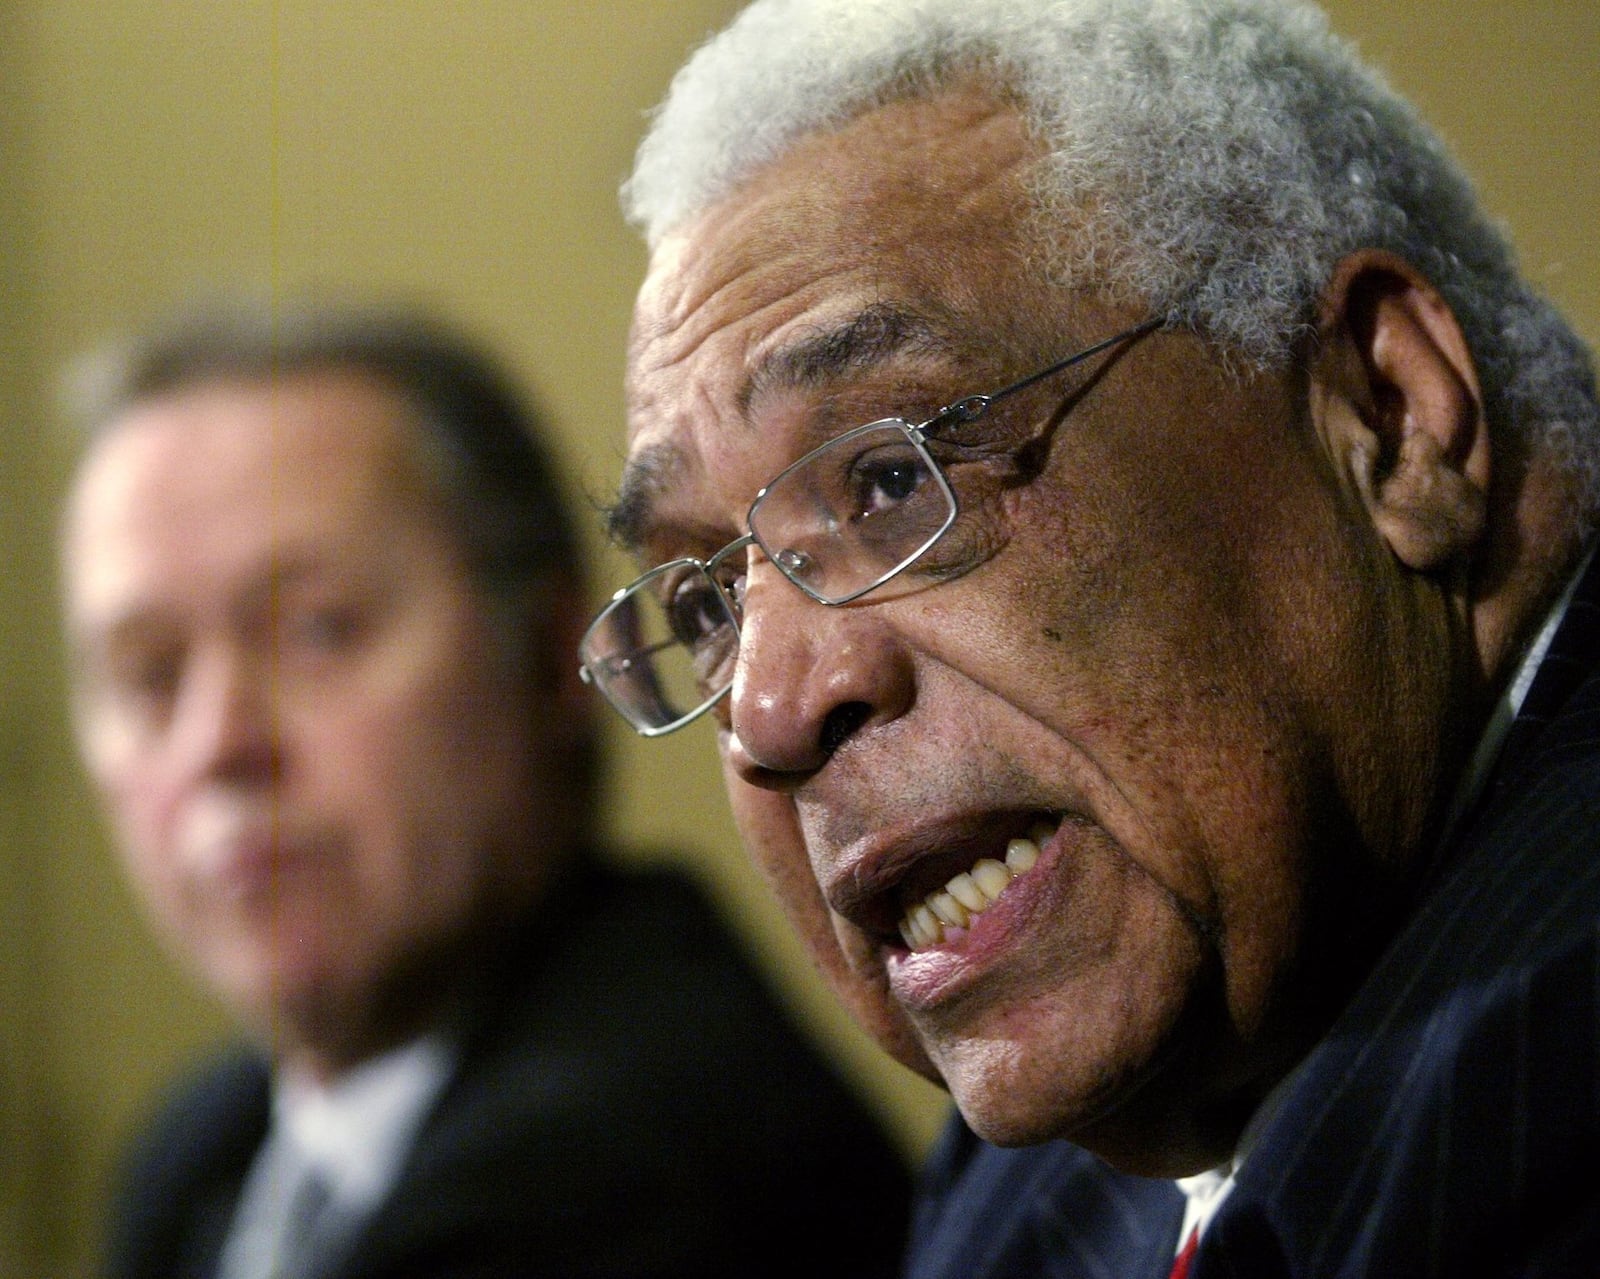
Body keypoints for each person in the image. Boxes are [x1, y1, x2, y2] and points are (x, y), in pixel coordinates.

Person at [577, 0, 1600, 1274]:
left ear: (1386, 415)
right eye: (707, 604)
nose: (773, 712)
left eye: (891, 481)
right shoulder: (1048, 1158)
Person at [59, 300, 913, 1279]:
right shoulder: (201, 1152)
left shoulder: (617, 1178)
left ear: (553, 659)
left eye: (318, 630)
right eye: (149, 674)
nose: (218, 743)